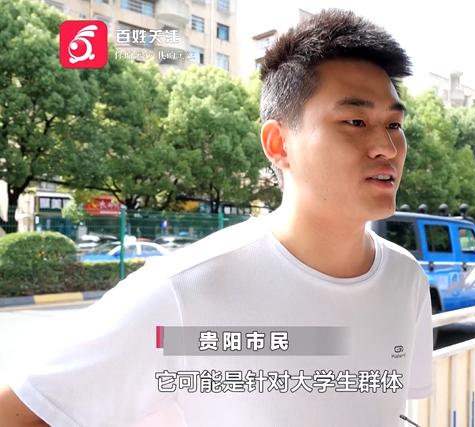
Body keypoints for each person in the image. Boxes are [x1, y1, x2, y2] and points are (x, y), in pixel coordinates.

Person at [0, 9, 432, 426]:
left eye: (394, 125)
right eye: (355, 121)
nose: (387, 148)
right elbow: (17, 412)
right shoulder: (185, 291)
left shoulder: (404, 277)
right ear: (278, 143)